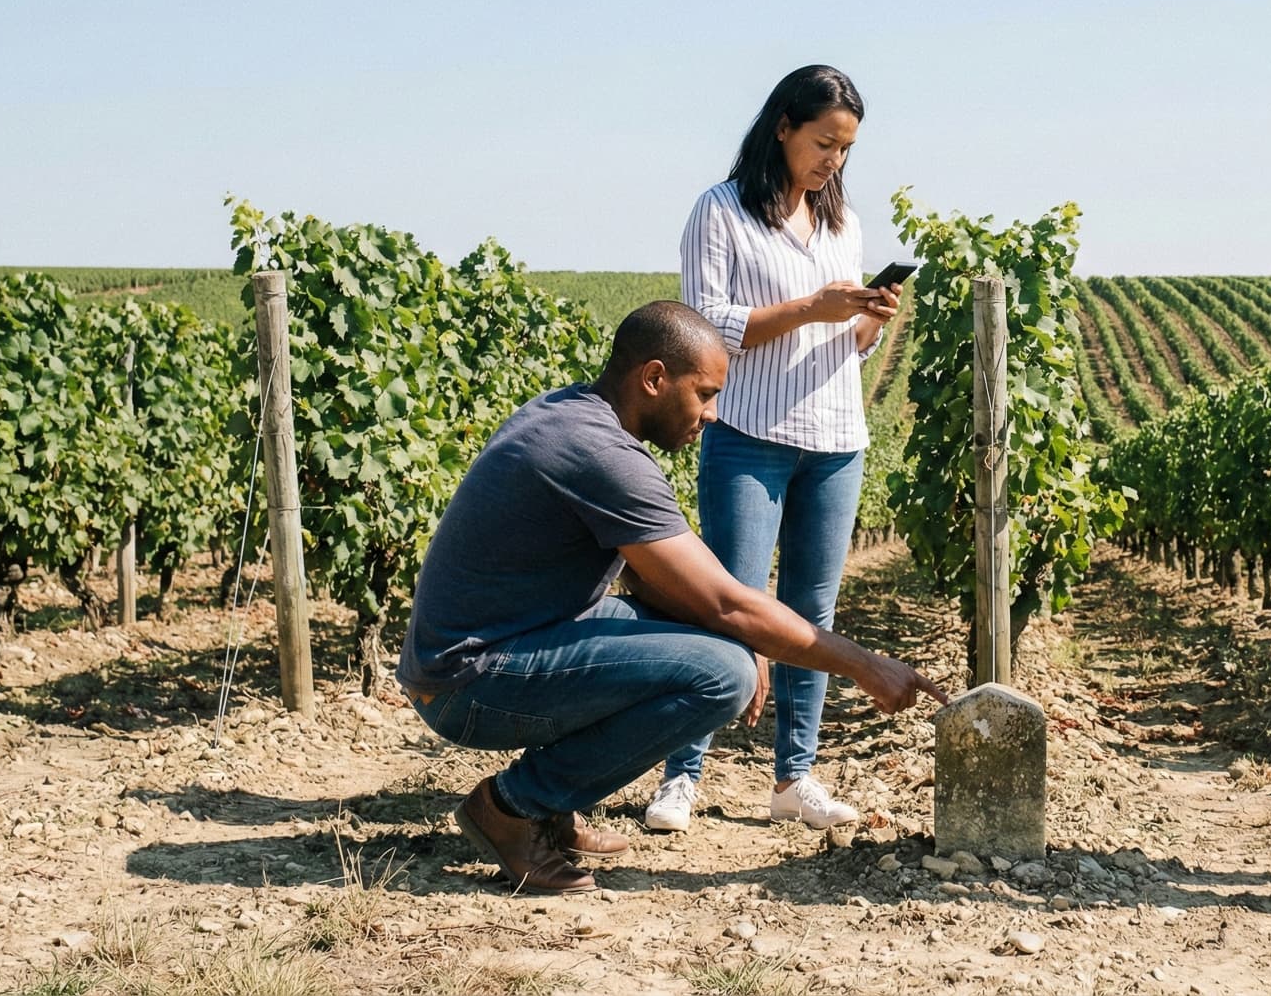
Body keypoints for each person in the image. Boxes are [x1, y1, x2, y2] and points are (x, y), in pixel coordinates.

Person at [397, 301, 944, 895]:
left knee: (715, 644)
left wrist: (737, 629)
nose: (712, 415)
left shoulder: (571, 412)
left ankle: (552, 807)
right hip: (466, 684)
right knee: (724, 675)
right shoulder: (602, 454)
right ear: (655, 379)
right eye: (705, 394)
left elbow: (655, 583)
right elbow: (725, 604)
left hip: (492, 647)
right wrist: (865, 666)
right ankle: (512, 807)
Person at [642, 64, 902, 834]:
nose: (835, 161)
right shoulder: (719, 212)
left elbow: (842, 347)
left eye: (847, 149)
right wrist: (808, 307)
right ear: (783, 126)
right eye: (825, 142)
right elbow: (706, 330)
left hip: (835, 439)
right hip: (749, 434)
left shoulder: (842, 225)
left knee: (812, 610)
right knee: (727, 602)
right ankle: (682, 773)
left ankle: (795, 777)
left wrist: (869, 319)